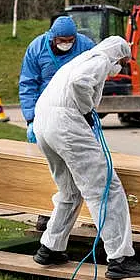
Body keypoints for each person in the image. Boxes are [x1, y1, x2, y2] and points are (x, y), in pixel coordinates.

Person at [32, 36, 140, 279]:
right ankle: (120, 258)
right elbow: (80, 84)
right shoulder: (100, 58)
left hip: (43, 122)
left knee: (69, 191)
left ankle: (50, 247)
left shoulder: (79, 59)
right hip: (66, 123)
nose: (118, 67)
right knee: (106, 189)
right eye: (122, 61)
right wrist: (86, 110)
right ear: (117, 55)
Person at [19, 16, 95, 231]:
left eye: (70, 39)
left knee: (86, 164)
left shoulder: (86, 46)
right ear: (52, 37)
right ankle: (46, 212)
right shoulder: (37, 48)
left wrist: (89, 110)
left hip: (78, 113)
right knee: (52, 168)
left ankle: (91, 212)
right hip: (46, 115)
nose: (67, 43)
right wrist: (31, 119)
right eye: (62, 40)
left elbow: (95, 80)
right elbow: (28, 83)